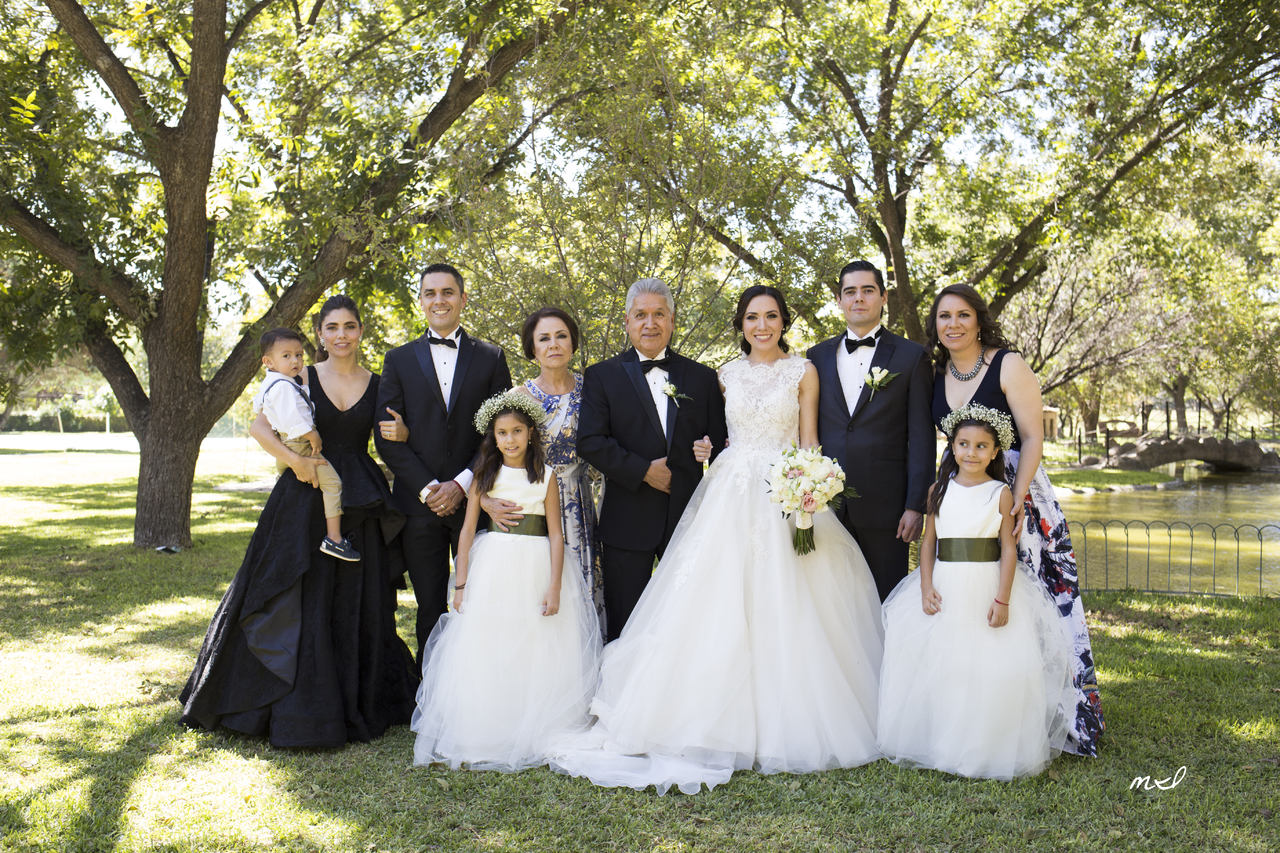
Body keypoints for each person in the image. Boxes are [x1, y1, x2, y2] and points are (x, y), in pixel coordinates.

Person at [552, 286, 884, 795]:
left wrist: (810, 486)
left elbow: (808, 439)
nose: (762, 325)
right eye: (752, 317)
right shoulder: (724, 375)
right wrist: (706, 446)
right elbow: (714, 436)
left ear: (783, 321)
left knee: (788, 599)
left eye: (770, 316)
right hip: (729, 492)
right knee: (711, 598)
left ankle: (786, 716)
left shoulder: (801, 371)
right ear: (741, 324)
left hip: (782, 488)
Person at [179, 295, 418, 748]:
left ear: (360, 331)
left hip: (360, 497)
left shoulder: (379, 382)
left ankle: (356, 697)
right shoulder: (298, 373)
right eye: (332, 327)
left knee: (355, 596)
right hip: (304, 492)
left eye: (350, 326)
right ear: (320, 334)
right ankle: (286, 702)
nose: (341, 335)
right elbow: (259, 427)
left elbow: (392, 436)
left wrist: (403, 432)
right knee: (298, 592)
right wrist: (296, 461)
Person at [926, 282, 1104, 757]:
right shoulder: (936, 373)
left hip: (1015, 493)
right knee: (971, 596)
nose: (953, 324)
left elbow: (1031, 437)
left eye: (963, 315)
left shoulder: (1008, 364)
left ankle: (1058, 716)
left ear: (979, 320)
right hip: (962, 496)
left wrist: (1016, 499)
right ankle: (979, 711)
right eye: (944, 316)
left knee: (1037, 598)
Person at [878, 405, 1075, 779]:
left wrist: (1002, 598)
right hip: (945, 585)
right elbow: (928, 543)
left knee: (987, 665)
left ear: (995, 451)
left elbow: (1008, 549)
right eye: (963, 444)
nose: (971, 453)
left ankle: (984, 746)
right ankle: (943, 743)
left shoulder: (1000, 493)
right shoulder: (938, 490)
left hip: (986, 585)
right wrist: (925, 586)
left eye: (981, 446)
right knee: (945, 665)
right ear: (952, 446)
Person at [412, 392, 601, 770]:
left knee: (538, 643)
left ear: (530, 433)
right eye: (502, 433)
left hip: (536, 566)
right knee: (492, 642)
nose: (510, 439)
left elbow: (557, 534)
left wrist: (554, 586)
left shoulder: (546, 476)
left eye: (517, 431)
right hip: (494, 566)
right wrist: (461, 584)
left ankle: (536, 726)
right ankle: (492, 727)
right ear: (493, 437)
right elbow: (467, 532)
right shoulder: (484, 477)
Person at [375, 262, 513, 665]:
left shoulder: (491, 357)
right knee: (429, 606)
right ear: (420, 301)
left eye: (448, 292)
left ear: (463, 299)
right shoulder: (398, 360)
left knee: (481, 600)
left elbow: (501, 433)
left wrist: (463, 484)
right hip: (419, 506)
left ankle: (480, 681)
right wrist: (429, 489)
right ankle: (428, 687)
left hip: (477, 501)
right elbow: (386, 437)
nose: (439, 300)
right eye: (430, 293)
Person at [575, 278, 728, 641]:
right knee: (624, 627)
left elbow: (722, 445)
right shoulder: (601, 376)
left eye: (659, 314)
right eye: (641, 314)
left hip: (689, 520)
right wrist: (644, 471)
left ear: (672, 320)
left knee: (690, 624)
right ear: (627, 321)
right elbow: (590, 442)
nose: (650, 323)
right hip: (627, 520)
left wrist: (709, 450)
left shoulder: (704, 378)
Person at [806, 261, 935, 601]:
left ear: (884, 297)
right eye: (850, 292)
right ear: (839, 300)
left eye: (867, 290)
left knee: (885, 602)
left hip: (887, 509)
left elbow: (922, 439)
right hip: (826, 506)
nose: (858, 298)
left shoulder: (912, 357)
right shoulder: (815, 356)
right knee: (831, 604)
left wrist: (916, 505)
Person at [481, 307, 607, 639]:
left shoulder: (594, 390)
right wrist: (483, 499)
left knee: (581, 591)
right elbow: (490, 459)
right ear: (532, 348)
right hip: (532, 506)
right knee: (534, 593)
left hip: (580, 503)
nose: (554, 344)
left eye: (561, 336)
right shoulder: (517, 398)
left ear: (573, 343)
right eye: (544, 338)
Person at [252, 326, 360, 562]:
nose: (295, 361)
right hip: (300, 444)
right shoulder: (284, 387)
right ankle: (334, 538)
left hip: (285, 445)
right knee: (333, 485)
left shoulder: (274, 383)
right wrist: (313, 436)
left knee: (286, 482)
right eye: (286, 356)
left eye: (298, 355)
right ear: (268, 361)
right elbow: (293, 419)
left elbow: (260, 405)